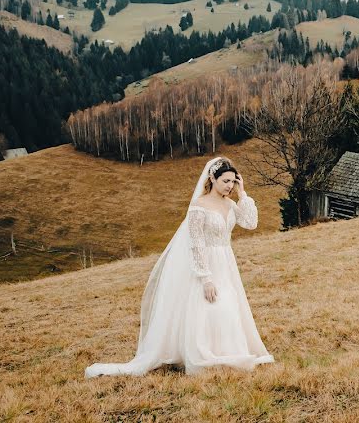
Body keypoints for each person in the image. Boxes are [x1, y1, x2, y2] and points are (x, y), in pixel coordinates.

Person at [84, 156, 274, 377]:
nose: (229, 186)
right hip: (206, 263)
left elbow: (250, 223)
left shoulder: (231, 203)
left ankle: (228, 351)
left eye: (233, 181)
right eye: (226, 181)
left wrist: (243, 194)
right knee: (209, 306)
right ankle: (203, 353)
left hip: (226, 263)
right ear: (212, 178)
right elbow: (195, 244)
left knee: (229, 304)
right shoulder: (199, 206)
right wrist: (205, 278)